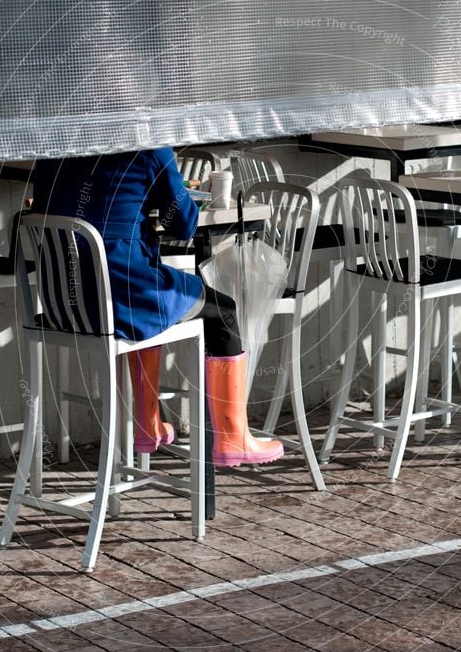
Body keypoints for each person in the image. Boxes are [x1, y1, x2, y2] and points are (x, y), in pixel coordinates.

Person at [31, 147, 284, 468]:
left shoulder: (52, 150)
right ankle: (234, 437)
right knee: (223, 311)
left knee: (157, 309)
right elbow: (184, 225)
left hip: (61, 305)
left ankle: (148, 424)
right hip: (121, 295)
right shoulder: (149, 148)